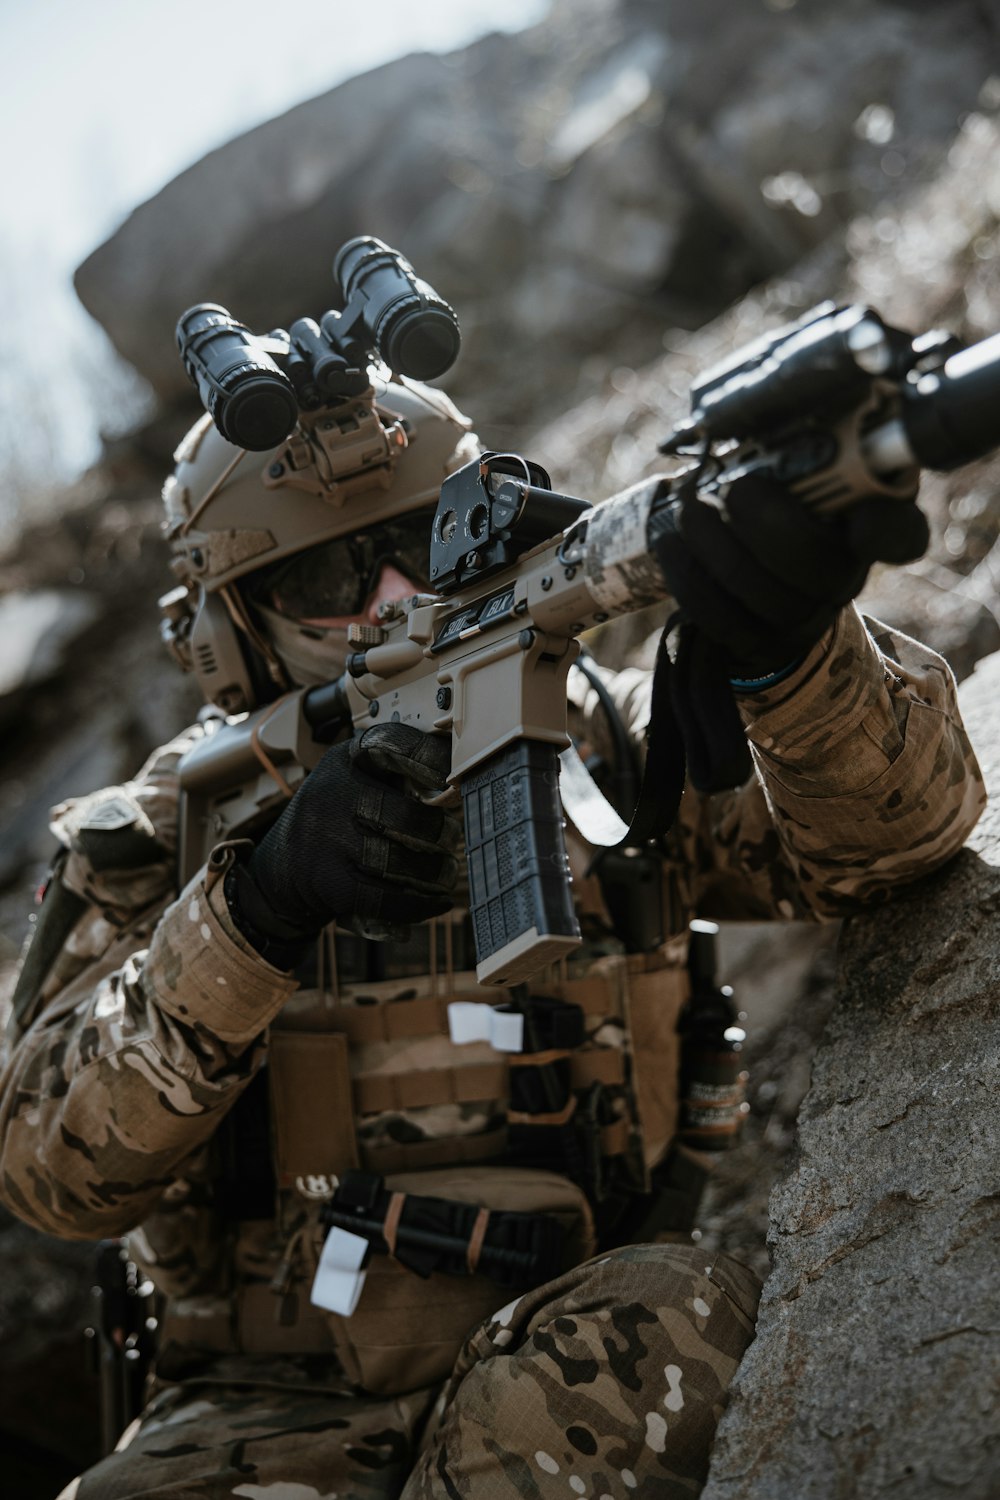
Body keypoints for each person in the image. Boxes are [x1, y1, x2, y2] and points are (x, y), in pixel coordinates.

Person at [0, 360, 985, 1500]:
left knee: (674, 1318)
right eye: (327, 574)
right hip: (255, 1414)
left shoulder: (602, 737)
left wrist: (795, 653)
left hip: (584, 1370)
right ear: (230, 632)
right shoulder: (160, 836)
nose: (390, 599)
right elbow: (49, 1177)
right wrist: (254, 909)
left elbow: (897, 846)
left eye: (427, 539)